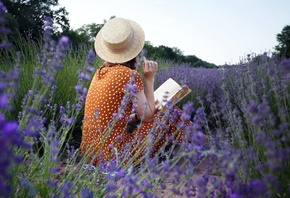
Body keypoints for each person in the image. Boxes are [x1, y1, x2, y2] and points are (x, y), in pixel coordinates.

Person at [80, 17, 200, 166]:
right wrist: (149, 79)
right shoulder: (129, 75)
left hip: (92, 154)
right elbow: (148, 116)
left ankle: (191, 146)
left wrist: (136, 117)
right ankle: (201, 146)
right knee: (169, 111)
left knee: (160, 112)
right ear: (133, 50)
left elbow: (109, 117)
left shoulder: (100, 73)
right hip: (116, 157)